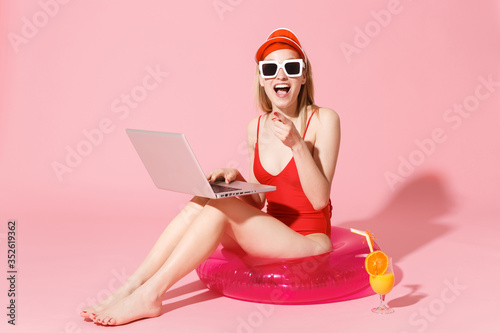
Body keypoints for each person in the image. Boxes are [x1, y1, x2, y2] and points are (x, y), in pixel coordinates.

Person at [80, 28, 341, 326]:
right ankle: (132, 286)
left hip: (310, 238)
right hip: (273, 231)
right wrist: (237, 179)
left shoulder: (324, 119)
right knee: (204, 197)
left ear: (303, 76)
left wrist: (296, 145)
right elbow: (259, 204)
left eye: (291, 68)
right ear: (262, 80)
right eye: (270, 69)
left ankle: (151, 295)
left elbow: (320, 199)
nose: (280, 76)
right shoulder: (255, 127)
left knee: (219, 208)